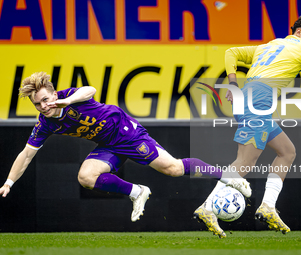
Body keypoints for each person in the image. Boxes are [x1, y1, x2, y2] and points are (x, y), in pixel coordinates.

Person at [0, 72, 250, 230]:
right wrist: (10, 182)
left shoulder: (68, 96)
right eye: (37, 104)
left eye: (46, 99)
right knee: (86, 178)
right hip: (108, 145)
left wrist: (67, 100)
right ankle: (137, 191)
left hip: (126, 132)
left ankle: (228, 176)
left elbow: (90, 90)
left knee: (173, 169)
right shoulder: (44, 124)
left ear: (54, 93)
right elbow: (26, 155)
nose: (43, 106)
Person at [194, 14, 301, 237]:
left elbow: (231, 52)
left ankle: (268, 207)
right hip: (259, 102)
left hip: (248, 99)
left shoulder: (270, 45)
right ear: (298, 32)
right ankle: (207, 207)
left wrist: (233, 82)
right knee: (245, 160)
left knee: (287, 151)